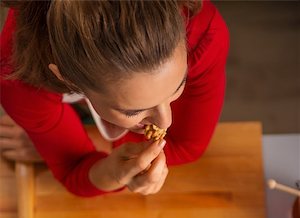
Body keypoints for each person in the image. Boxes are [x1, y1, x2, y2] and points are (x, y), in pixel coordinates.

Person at [0, 0, 229, 197]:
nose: (165, 123)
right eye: (133, 111)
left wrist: (71, 142)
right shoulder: (18, 80)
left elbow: (188, 147)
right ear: (68, 78)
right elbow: (72, 170)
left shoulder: (204, 30)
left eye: (178, 87)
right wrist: (113, 172)